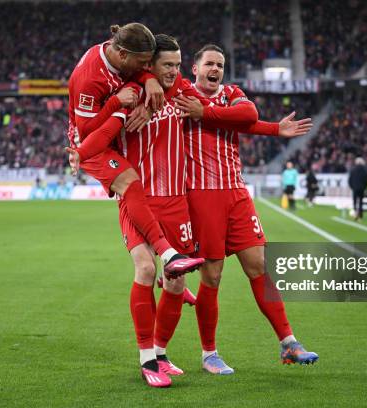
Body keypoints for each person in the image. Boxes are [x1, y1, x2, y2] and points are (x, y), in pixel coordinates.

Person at [175, 44, 318, 374]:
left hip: (237, 194)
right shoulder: (182, 96)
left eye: (220, 65)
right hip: (202, 196)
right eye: (209, 63)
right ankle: (209, 354)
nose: (216, 69)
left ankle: (288, 343)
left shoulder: (230, 93)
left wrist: (206, 113)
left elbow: (247, 116)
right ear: (194, 69)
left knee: (258, 267)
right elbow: (238, 122)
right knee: (212, 276)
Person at [65, 22, 203, 279]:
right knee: (130, 182)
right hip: (88, 143)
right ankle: (168, 253)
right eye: (142, 63)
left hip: (111, 127)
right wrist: (116, 102)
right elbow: (89, 132)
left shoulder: (124, 57)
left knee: (133, 186)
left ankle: (167, 261)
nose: (145, 67)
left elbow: (153, 76)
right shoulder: (89, 78)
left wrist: (150, 81)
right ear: (123, 55)